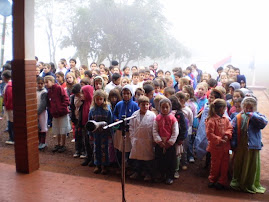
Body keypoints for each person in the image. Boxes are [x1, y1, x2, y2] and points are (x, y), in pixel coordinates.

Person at [230, 97, 268, 193]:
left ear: (254, 108)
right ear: (243, 107)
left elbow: (263, 123)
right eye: (246, 108)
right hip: (241, 146)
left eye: (250, 108)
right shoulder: (239, 116)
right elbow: (232, 128)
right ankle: (239, 182)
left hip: (253, 146)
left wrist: (253, 115)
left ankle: (249, 183)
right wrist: (233, 143)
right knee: (240, 164)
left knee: (251, 166)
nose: (248, 110)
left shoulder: (257, 116)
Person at [206, 99, 232, 190]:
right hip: (216, 147)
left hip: (225, 147)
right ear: (221, 108)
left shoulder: (226, 119)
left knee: (225, 165)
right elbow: (209, 134)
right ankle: (212, 179)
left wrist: (227, 135)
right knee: (215, 165)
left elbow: (230, 128)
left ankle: (222, 181)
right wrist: (219, 140)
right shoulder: (211, 120)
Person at [129, 96, 156, 181]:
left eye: (147, 104)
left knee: (148, 160)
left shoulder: (152, 115)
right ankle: (137, 172)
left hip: (147, 140)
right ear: (138, 105)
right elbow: (131, 127)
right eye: (143, 105)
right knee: (137, 159)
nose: (145, 106)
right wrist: (132, 137)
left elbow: (154, 128)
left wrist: (154, 139)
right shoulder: (134, 115)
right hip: (137, 140)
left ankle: (148, 174)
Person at [153, 98, 179, 184]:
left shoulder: (173, 119)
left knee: (170, 160)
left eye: (166, 107)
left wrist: (170, 142)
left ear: (170, 107)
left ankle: (169, 176)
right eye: (163, 107)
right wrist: (159, 141)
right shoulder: (157, 118)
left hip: (169, 143)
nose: (164, 109)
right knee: (159, 159)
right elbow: (155, 130)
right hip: (160, 143)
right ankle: (161, 174)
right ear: (159, 107)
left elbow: (175, 132)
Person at [113, 85, 139, 169]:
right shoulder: (119, 104)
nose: (126, 95)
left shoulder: (135, 105)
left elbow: (137, 117)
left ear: (131, 94)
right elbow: (114, 114)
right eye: (124, 93)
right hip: (120, 130)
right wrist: (116, 119)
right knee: (120, 149)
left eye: (128, 93)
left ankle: (130, 167)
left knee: (129, 149)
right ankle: (120, 166)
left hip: (129, 132)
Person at [88, 90, 113, 174]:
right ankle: (97, 165)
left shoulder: (107, 110)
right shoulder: (92, 110)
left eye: (100, 99)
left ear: (104, 99)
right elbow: (89, 122)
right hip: (95, 134)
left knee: (104, 149)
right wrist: (90, 133)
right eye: (97, 99)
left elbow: (110, 123)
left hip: (104, 134)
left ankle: (105, 166)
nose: (99, 101)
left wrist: (110, 134)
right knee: (96, 149)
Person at [44, 75, 71, 153]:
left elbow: (66, 99)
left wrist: (61, 108)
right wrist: (52, 110)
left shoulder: (59, 88)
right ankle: (58, 144)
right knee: (57, 129)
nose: (46, 84)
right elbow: (49, 103)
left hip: (62, 113)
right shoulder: (49, 92)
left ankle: (63, 144)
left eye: (47, 82)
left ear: (52, 82)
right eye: (45, 82)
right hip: (55, 114)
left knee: (63, 129)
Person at [169, 95, 187, 179]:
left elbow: (184, 127)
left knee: (177, 154)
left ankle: (176, 170)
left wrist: (181, 138)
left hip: (177, 138)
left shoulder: (179, 114)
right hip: (168, 137)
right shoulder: (167, 113)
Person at [2, 70, 14, 145]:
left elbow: (10, 98)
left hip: (10, 107)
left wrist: (7, 106)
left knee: (11, 122)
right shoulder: (10, 84)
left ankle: (12, 138)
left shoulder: (9, 85)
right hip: (11, 107)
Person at [36, 77, 48, 150]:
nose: (40, 85)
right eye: (38, 83)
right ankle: (38, 141)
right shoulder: (35, 91)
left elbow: (43, 104)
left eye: (41, 83)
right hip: (35, 112)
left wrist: (38, 112)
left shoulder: (44, 92)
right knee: (37, 127)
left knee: (42, 127)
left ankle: (43, 142)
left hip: (42, 113)